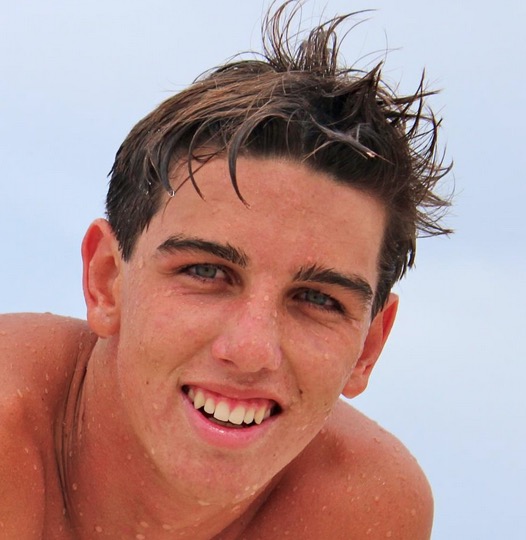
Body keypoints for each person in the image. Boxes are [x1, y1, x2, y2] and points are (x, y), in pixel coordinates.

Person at [0, 2, 451, 538]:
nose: (250, 349)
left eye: (318, 299)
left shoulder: (360, 508)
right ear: (106, 282)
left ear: (369, 346)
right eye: (206, 272)